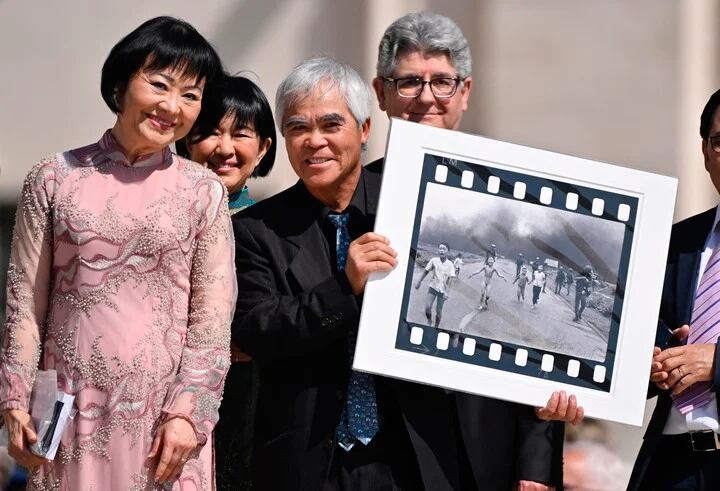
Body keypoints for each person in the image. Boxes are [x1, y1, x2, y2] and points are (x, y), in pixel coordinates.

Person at [0, 17, 236, 489]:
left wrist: (188, 414)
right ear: (120, 83)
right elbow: (24, 303)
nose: (172, 106)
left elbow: (212, 319)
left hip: (164, 424)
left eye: (191, 95)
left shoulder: (204, 192)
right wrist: (14, 399)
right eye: (160, 84)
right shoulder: (53, 178)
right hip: (70, 415)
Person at [369, 11, 568, 486]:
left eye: (442, 81)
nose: (426, 98)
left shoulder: (512, 199)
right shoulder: (353, 196)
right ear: (381, 94)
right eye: (409, 82)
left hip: (485, 453)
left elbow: (535, 349)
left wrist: (535, 466)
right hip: (379, 457)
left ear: (465, 93)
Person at [177, 73, 276, 491]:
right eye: (209, 133)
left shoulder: (278, 229)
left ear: (263, 147)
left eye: (241, 133)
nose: (224, 148)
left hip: (251, 400)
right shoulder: (161, 221)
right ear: (185, 140)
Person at [629, 89, 720, 489]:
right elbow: (642, 335)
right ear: (705, 151)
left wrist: (715, 362)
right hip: (671, 464)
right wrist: (650, 362)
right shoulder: (677, 241)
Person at [415, 242, 455, 327]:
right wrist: (419, 282)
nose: (441, 250)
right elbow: (426, 271)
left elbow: (451, 278)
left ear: (448, 251)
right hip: (433, 287)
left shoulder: (450, 264)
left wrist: (447, 292)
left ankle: (436, 326)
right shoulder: (434, 260)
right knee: (427, 307)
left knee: (438, 311)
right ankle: (429, 319)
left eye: (444, 249)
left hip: (442, 290)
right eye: (440, 248)